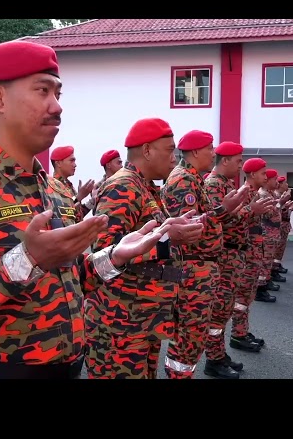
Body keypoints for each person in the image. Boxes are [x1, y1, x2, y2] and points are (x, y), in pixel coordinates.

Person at [0, 40, 171, 379]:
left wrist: (114, 256)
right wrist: (25, 261)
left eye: (58, 95)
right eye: (43, 91)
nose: (56, 107)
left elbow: (67, 280)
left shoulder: (53, 189)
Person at [85, 118, 204, 379]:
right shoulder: (123, 187)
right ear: (148, 150)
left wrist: (170, 231)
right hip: (119, 323)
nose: (174, 159)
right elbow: (104, 254)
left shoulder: (145, 188)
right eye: (169, 150)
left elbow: (144, 239)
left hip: (141, 318)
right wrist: (167, 238)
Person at [161, 130, 249, 379]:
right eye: (210, 149)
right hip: (191, 269)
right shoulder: (184, 181)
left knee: (195, 334)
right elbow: (189, 228)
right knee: (189, 335)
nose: (214, 153)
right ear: (196, 152)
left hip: (201, 268)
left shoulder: (193, 178)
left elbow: (201, 219)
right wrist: (225, 210)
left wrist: (223, 210)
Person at [202, 142, 273, 379]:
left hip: (234, 256)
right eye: (238, 161)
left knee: (223, 311)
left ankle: (219, 355)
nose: (240, 165)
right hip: (224, 256)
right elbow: (217, 218)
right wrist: (251, 210)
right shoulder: (213, 184)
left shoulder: (224, 184)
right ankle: (213, 360)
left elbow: (232, 216)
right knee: (219, 310)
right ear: (225, 161)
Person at [230, 157, 276, 351]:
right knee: (242, 297)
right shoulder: (244, 194)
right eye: (263, 173)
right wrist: (252, 209)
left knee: (247, 296)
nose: (265, 177)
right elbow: (234, 221)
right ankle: (237, 335)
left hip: (254, 252)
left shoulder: (254, 194)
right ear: (252, 174)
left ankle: (242, 331)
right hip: (246, 254)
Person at [50, 145, 95, 222]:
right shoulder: (52, 185)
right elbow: (61, 212)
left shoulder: (68, 185)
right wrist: (79, 197)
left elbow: (75, 216)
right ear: (58, 163)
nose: (75, 165)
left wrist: (92, 201)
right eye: (71, 160)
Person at [273, 176, 293, 273]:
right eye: (285, 183)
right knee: (278, 247)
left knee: (281, 247)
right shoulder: (277, 196)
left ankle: (277, 265)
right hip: (280, 225)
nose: (287, 185)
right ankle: (274, 268)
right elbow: (277, 211)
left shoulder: (281, 195)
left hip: (284, 224)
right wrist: (288, 208)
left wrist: (290, 208)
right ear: (280, 184)